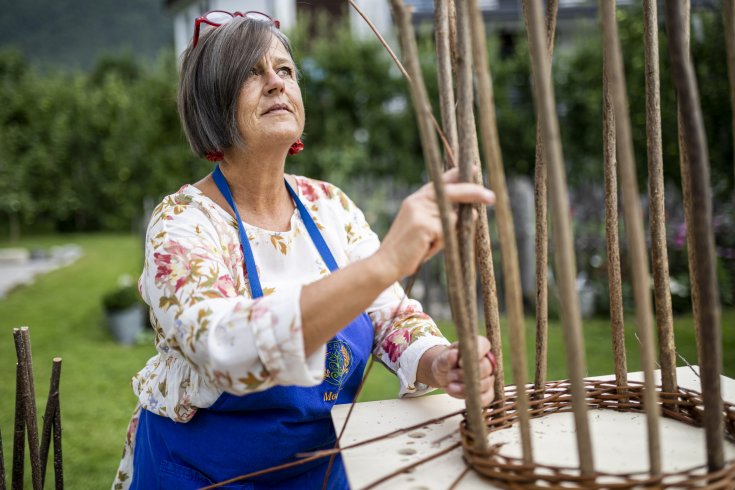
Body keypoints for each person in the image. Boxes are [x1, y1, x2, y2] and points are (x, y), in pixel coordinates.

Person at [113, 10, 496, 490]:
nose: (276, 83)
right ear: (212, 102)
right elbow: (221, 347)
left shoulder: (328, 206)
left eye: (285, 70)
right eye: (251, 72)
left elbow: (390, 318)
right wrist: (384, 263)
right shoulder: (183, 222)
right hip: (201, 472)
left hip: (317, 471)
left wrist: (438, 359)